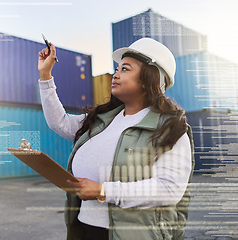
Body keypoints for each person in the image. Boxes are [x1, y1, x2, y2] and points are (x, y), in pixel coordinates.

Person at [37, 37, 195, 240]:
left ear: (150, 79)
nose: (115, 74)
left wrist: (104, 191)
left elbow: (169, 189)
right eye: (117, 68)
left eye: (125, 69)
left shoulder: (169, 128)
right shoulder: (102, 120)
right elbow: (59, 122)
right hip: (84, 229)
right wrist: (45, 75)